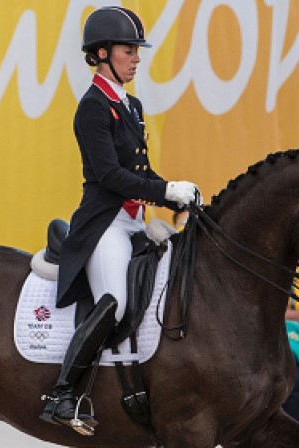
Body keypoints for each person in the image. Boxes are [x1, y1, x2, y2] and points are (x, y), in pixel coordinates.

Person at [41, 6, 200, 425]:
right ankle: (60, 395)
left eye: (136, 50)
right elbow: (110, 175)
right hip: (104, 225)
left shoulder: (132, 105)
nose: (136, 57)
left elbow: (140, 174)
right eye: (128, 50)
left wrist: (176, 196)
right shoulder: (93, 107)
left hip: (134, 222)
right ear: (102, 53)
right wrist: (164, 191)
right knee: (115, 302)